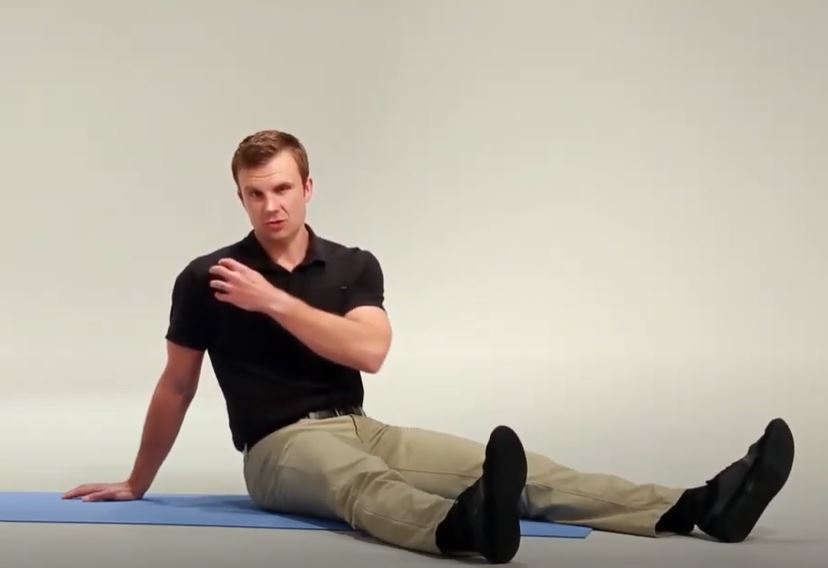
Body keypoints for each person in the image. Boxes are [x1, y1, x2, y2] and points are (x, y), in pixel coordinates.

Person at [63, 129, 795, 563]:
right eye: (255, 193)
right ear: (240, 197)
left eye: (282, 188)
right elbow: (177, 386)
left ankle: (699, 506)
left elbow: (369, 352)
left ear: (309, 186)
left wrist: (274, 301)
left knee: (515, 468)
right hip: (276, 450)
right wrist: (136, 481)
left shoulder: (352, 266)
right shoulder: (207, 278)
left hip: (362, 423)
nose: (271, 205)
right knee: (355, 481)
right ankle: (455, 529)